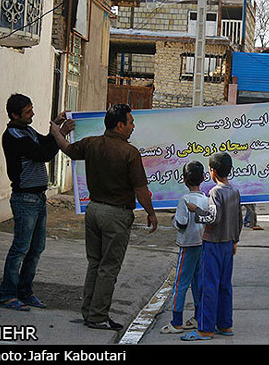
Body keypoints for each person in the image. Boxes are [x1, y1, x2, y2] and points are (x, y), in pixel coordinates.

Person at [49, 103, 158, 331]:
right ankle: (98, 316)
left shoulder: (91, 144)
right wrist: (151, 213)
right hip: (115, 215)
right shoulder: (129, 152)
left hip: (94, 210)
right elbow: (140, 188)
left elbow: (66, 148)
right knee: (109, 267)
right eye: (130, 122)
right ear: (120, 125)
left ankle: (89, 311)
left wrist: (55, 131)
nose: (133, 126)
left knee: (95, 264)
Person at [0, 94, 74, 311]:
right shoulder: (13, 135)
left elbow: (43, 141)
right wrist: (61, 134)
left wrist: (57, 126)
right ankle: (8, 294)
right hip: (25, 199)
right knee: (21, 247)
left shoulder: (26, 130)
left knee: (36, 248)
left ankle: (25, 292)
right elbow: (43, 154)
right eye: (28, 112)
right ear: (15, 115)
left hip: (38, 198)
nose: (32, 114)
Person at [181, 152, 243, 341]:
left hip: (213, 243)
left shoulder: (215, 192)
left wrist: (195, 210)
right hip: (227, 244)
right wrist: (234, 241)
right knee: (225, 285)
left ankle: (206, 328)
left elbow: (212, 217)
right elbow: (238, 220)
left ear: (213, 172)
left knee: (208, 285)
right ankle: (225, 324)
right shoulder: (234, 191)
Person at [160, 161, 208, 334]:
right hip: (201, 244)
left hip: (187, 245)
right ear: (203, 178)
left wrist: (174, 219)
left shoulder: (184, 200)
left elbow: (181, 223)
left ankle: (177, 321)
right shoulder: (205, 199)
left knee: (180, 283)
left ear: (184, 180)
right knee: (197, 282)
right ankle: (198, 316)